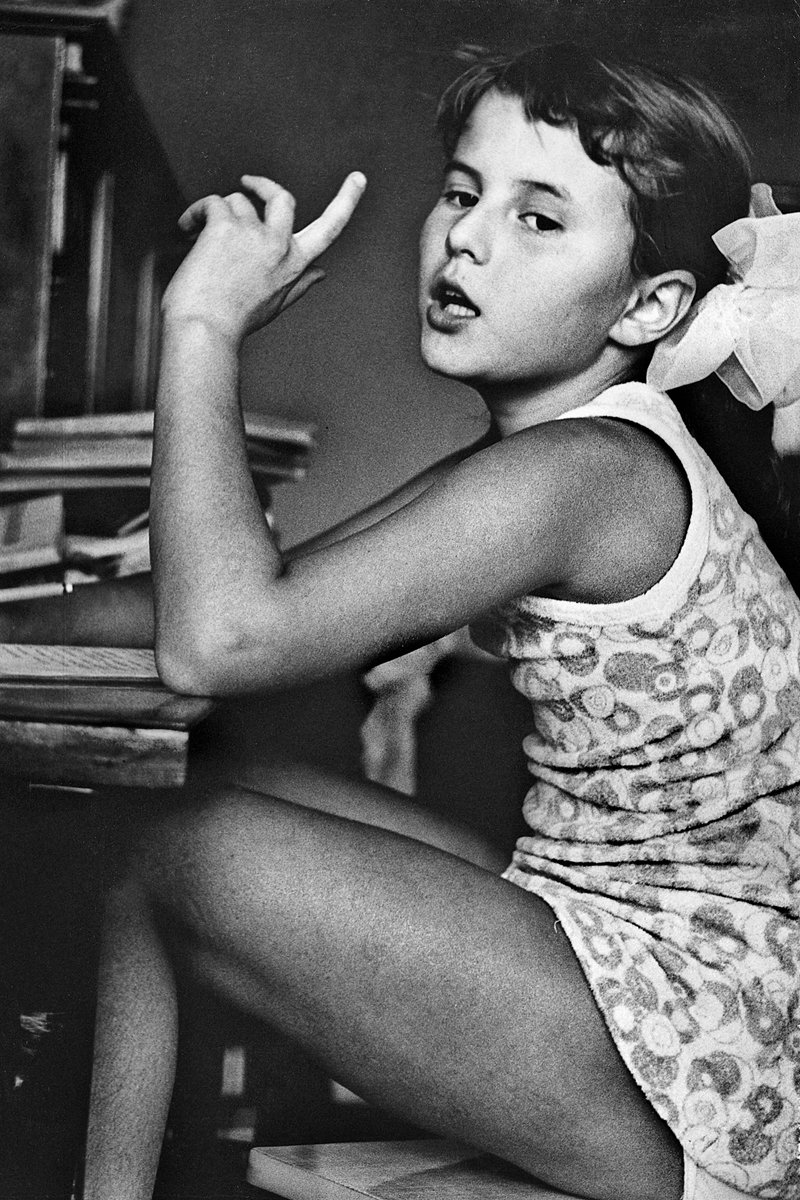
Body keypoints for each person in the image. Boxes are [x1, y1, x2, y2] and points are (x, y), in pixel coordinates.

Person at [40, 42, 800, 1200]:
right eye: (459, 193)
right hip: (607, 936)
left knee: (178, 840)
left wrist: (200, 327)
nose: (465, 240)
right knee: (193, 788)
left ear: (648, 304)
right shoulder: (552, 458)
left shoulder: (585, 473)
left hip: (707, 1045)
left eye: (536, 218)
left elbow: (217, 642)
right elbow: (252, 598)